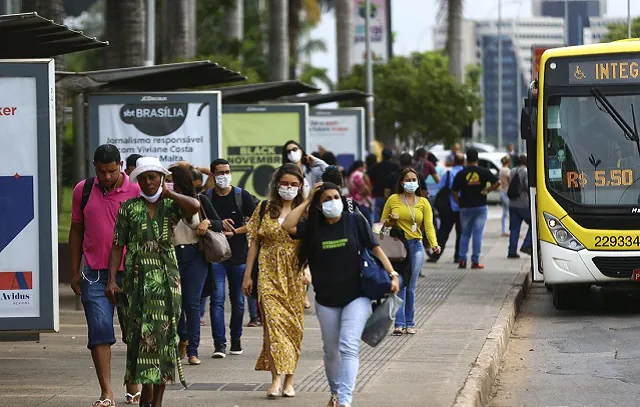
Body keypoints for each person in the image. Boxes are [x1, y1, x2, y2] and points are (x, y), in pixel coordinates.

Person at [282, 182, 400, 407]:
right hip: (326, 300)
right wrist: (307, 200)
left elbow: (375, 247)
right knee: (330, 350)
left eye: (336, 197)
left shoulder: (354, 221)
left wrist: (392, 273)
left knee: (348, 346)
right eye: (326, 199)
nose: (333, 202)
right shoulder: (313, 228)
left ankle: (345, 400)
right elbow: (287, 226)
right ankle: (335, 393)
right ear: (318, 205)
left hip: (357, 295)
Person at [105, 156, 201, 407]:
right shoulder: (128, 207)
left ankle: (156, 401)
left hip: (166, 284)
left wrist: (171, 195)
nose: (148, 182)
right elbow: (117, 246)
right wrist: (111, 280)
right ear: (138, 180)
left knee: (163, 342)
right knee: (138, 341)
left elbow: (194, 207)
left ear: (162, 179)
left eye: (153, 177)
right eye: (144, 178)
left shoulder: (171, 206)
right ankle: (144, 396)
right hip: (135, 284)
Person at [69, 144, 142, 407]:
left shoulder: (136, 190)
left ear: (121, 165)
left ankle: (133, 381)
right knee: (99, 331)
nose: (107, 177)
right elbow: (76, 230)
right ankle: (106, 391)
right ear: (94, 168)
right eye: (102, 172)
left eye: (112, 171)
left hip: (130, 273)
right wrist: (74, 270)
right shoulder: (83, 189)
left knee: (134, 331)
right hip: (94, 273)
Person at [242, 164, 306, 398]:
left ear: (300, 187)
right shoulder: (263, 208)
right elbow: (254, 243)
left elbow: (312, 244)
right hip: (267, 272)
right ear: (276, 184)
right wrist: (248, 275)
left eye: (293, 184)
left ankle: (290, 380)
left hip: (294, 275)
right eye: (284, 183)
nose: (288, 188)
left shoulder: (305, 211)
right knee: (272, 326)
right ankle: (276, 378)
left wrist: (308, 269)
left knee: (293, 328)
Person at [170, 166, 223, 366]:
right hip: (172, 256)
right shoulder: (164, 202)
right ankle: (182, 337)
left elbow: (219, 224)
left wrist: (207, 223)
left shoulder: (200, 201)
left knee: (191, 304)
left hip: (195, 256)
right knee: (175, 303)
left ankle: (193, 349)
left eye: (171, 180)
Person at [205, 159, 257, 357]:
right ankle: (220, 344)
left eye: (227, 171)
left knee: (238, 301)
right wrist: (216, 224)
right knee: (217, 300)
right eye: (220, 173)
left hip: (239, 256)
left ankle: (236, 340)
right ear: (212, 175)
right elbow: (199, 222)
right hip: (216, 255)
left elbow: (255, 223)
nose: (224, 176)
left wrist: (236, 231)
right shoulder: (206, 197)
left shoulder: (241, 195)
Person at [382, 168, 440, 335]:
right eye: (408, 180)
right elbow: (380, 226)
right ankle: (399, 323)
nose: (412, 183)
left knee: (411, 285)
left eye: (414, 180)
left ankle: (410, 322)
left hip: (416, 246)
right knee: (400, 284)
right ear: (402, 182)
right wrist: (390, 221)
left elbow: (429, 226)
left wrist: (434, 245)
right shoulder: (393, 199)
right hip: (398, 247)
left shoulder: (423, 202)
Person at [452, 148, 501, 269]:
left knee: (465, 234)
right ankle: (475, 261)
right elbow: (498, 182)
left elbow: (454, 191)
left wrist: (459, 203)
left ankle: (462, 260)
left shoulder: (461, 173)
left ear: (466, 159)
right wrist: (487, 190)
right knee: (477, 234)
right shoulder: (483, 171)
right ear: (477, 158)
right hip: (480, 206)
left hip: (465, 207)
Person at [428, 152, 464, 264]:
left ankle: (435, 256)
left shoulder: (448, 174)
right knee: (461, 233)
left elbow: (440, 187)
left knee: (443, 232)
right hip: (462, 208)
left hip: (448, 208)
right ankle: (458, 256)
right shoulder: (465, 174)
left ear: (453, 162)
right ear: (463, 162)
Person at [508, 155, 533, 258]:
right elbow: (526, 185)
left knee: (514, 228)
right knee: (534, 224)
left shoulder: (512, 170)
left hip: (512, 203)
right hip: (523, 203)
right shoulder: (525, 171)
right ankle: (526, 245)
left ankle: (512, 251)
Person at [368, 148, 400, 222]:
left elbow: (369, 178)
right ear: (391, 156)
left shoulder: (375, 167)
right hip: (391, 196)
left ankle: (377, 233)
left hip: (378, 195)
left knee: (378, 218)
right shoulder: (395, 167)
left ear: (382, 155)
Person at [499, 155, 511, 237]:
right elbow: (510, 179)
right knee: (508, 212)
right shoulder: (506, 170)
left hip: (502, 191)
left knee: (504, 212)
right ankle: (507, 230)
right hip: (507, 191)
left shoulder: (501, 170)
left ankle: (504, 230)